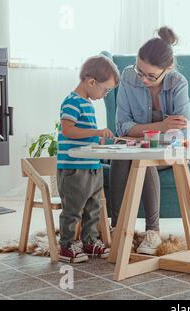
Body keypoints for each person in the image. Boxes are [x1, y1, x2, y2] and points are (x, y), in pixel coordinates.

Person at [110, 26, 190, 255]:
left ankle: (152, 232)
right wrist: (161, 127)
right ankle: (119, 229)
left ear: (168, 69)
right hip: (133, 148)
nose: (143, 80)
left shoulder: (178, 83)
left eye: (151, 76)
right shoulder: (127, 76)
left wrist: (142, 132)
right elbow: (122, 126)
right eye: (140, 71)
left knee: (145, 154)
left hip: (167, 152)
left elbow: (182, 133)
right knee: (122, 152)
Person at [57, 55, 119, 263]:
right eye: (105, 89)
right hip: (74, 168)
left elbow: (85, 134)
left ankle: (90, 241)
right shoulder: (72, 102)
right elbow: (68, 129)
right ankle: (66, 245)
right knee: (73, 210)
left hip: (92, 167)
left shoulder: (88, 104)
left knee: (94, 209)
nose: (105, 94)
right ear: (91, 81)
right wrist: (96, 131)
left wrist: (99, 139)